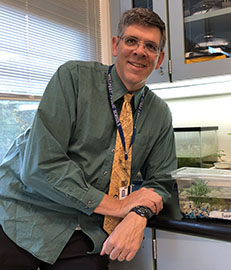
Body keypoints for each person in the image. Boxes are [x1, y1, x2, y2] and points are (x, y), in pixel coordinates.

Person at [0, 7, 177, 270]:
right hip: (25, 214)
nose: (140, 51)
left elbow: (162, 182)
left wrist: (138, 214)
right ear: (116, 45)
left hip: (86, 230)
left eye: (150, 46)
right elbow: (41, 166)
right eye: (132, 41)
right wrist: (118, 207)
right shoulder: (73, 78)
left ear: (159, 59)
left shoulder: (159, 113)